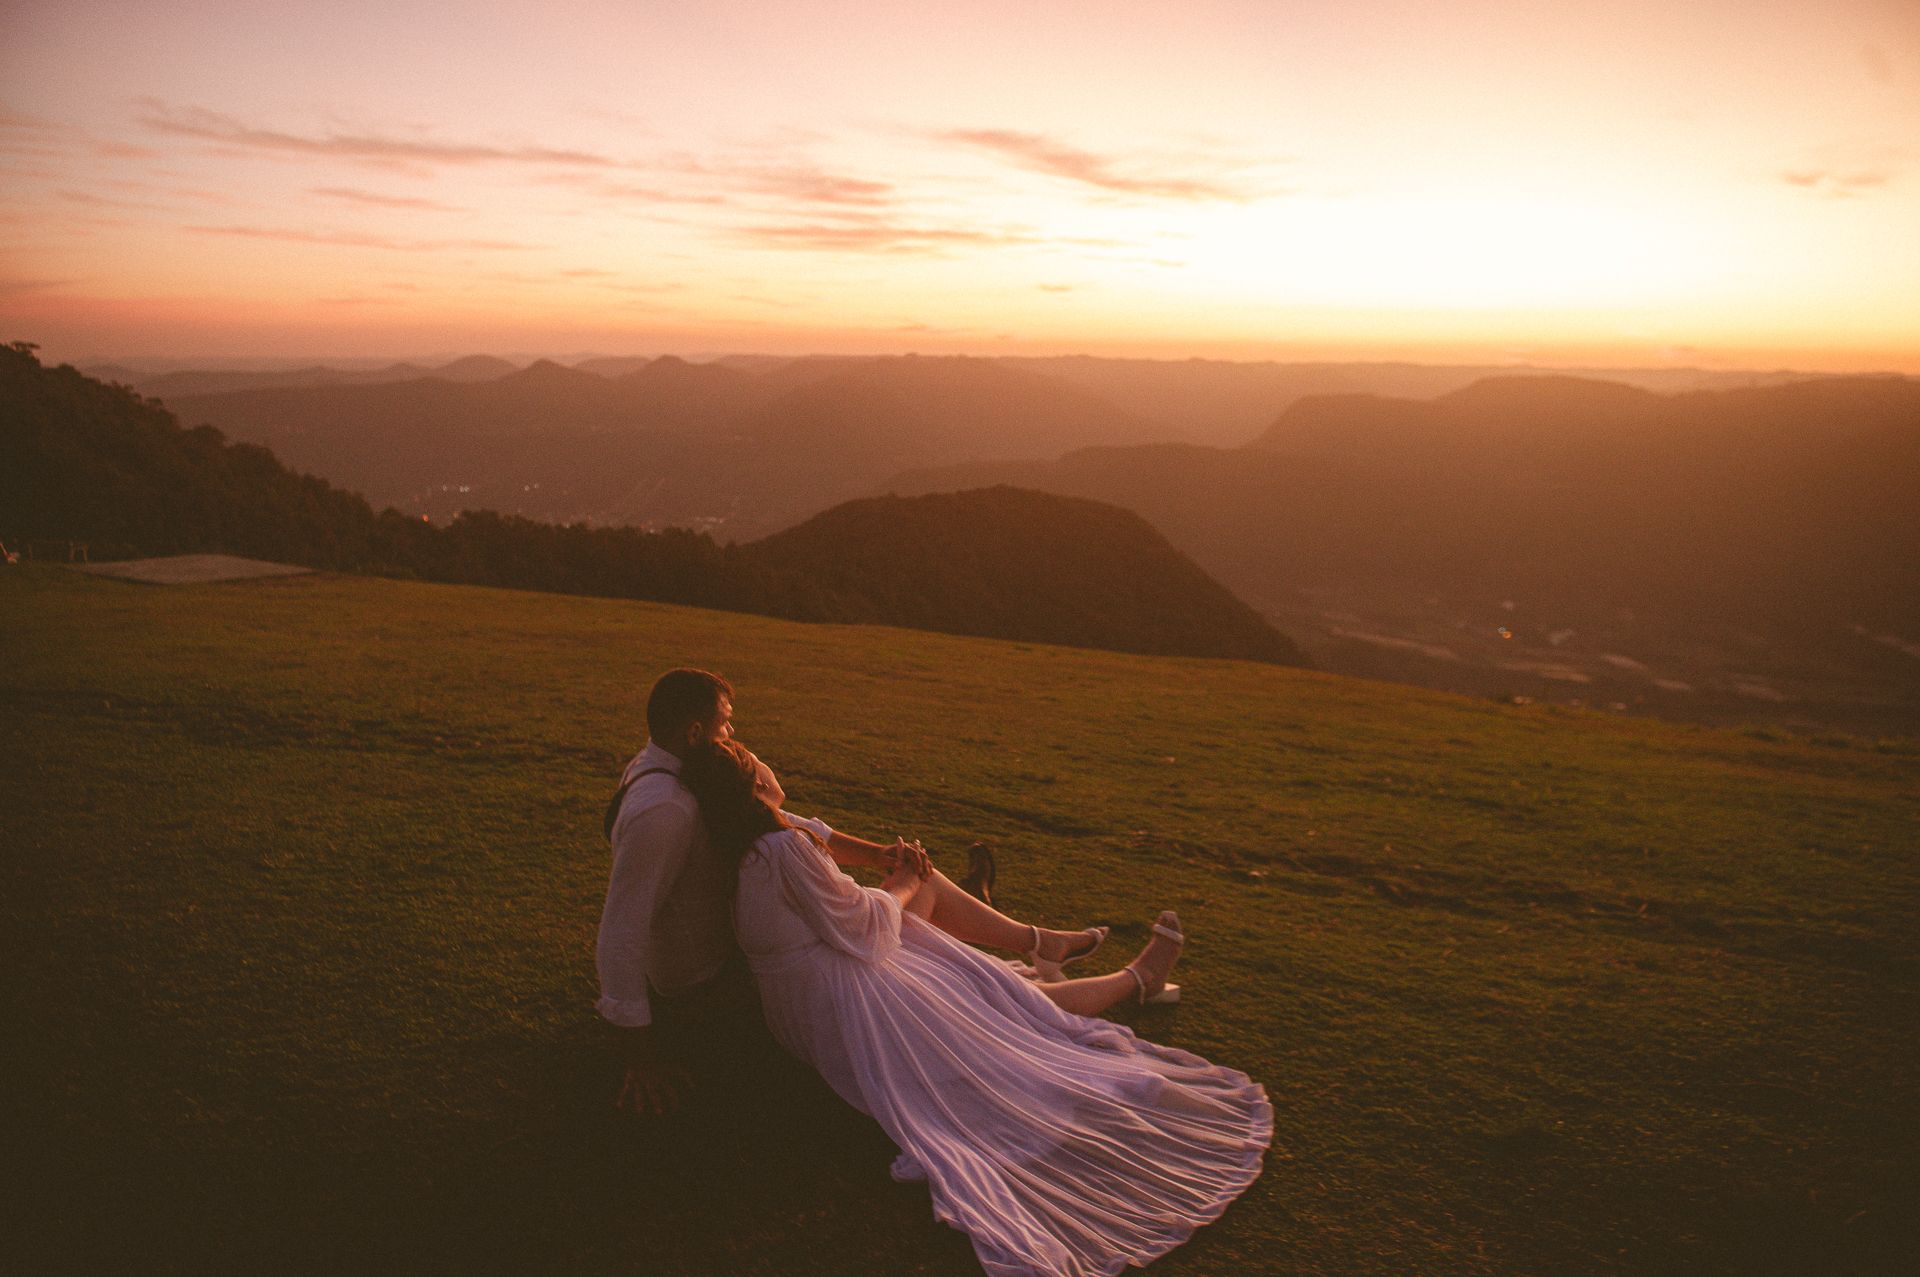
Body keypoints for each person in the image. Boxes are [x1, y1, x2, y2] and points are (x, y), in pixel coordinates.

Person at [681, 737, 1272, 1277]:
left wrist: (895, 864)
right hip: (845, 1002)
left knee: (986, 984)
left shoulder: (745, 836)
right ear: (755, 782)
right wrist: (906, 880)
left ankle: (1048, 945)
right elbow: (864, 930)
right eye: (752, 752)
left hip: (802, 1004)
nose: (762, 754)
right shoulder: (782, 846)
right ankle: (1129, 978)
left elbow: (822, 845)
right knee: (1015, 1010)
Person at [596, 668, 1112, 1117]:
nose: (735, 733)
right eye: (726, 722)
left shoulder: (694, 778)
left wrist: (882, 856)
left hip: (745, 953)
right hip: (712, 981)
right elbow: (621, 932)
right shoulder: (663, 808)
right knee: (942, 974)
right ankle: (1038, 951)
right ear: (694, 731)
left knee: (924, 935)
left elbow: (777, 821)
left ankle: (1033, 942)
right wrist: (639, 1056)